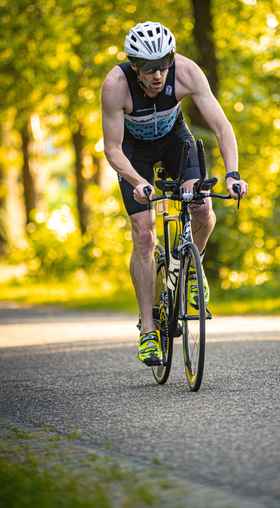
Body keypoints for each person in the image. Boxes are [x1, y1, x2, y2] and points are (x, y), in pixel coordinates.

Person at [101, 21, 248, 366]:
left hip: (174, 142)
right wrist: (138, 181)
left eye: (165, 63)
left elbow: (222, 126)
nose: (158, 74)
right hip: (133, 153)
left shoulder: (187, 73)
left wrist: (232, 174)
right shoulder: (116, 85)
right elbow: (112, 148)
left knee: (201, 208)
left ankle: (189, 271)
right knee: (143, 235)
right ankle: (149, 331)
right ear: (135, 65)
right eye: (150, 68)